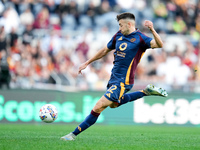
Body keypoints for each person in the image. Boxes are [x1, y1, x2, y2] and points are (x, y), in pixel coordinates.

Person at [61, 12, 168, 141]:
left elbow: (160, 44)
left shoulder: (140, 38)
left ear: (129, 24)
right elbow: (104, 50)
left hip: (123, 81)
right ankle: (145, 91)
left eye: (121, 25)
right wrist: (87, 62)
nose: (119, 28)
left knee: (99, 106)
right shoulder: (118, 35)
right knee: (113, 105)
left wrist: (152, 29)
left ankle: (72, 135)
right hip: (113, 79)